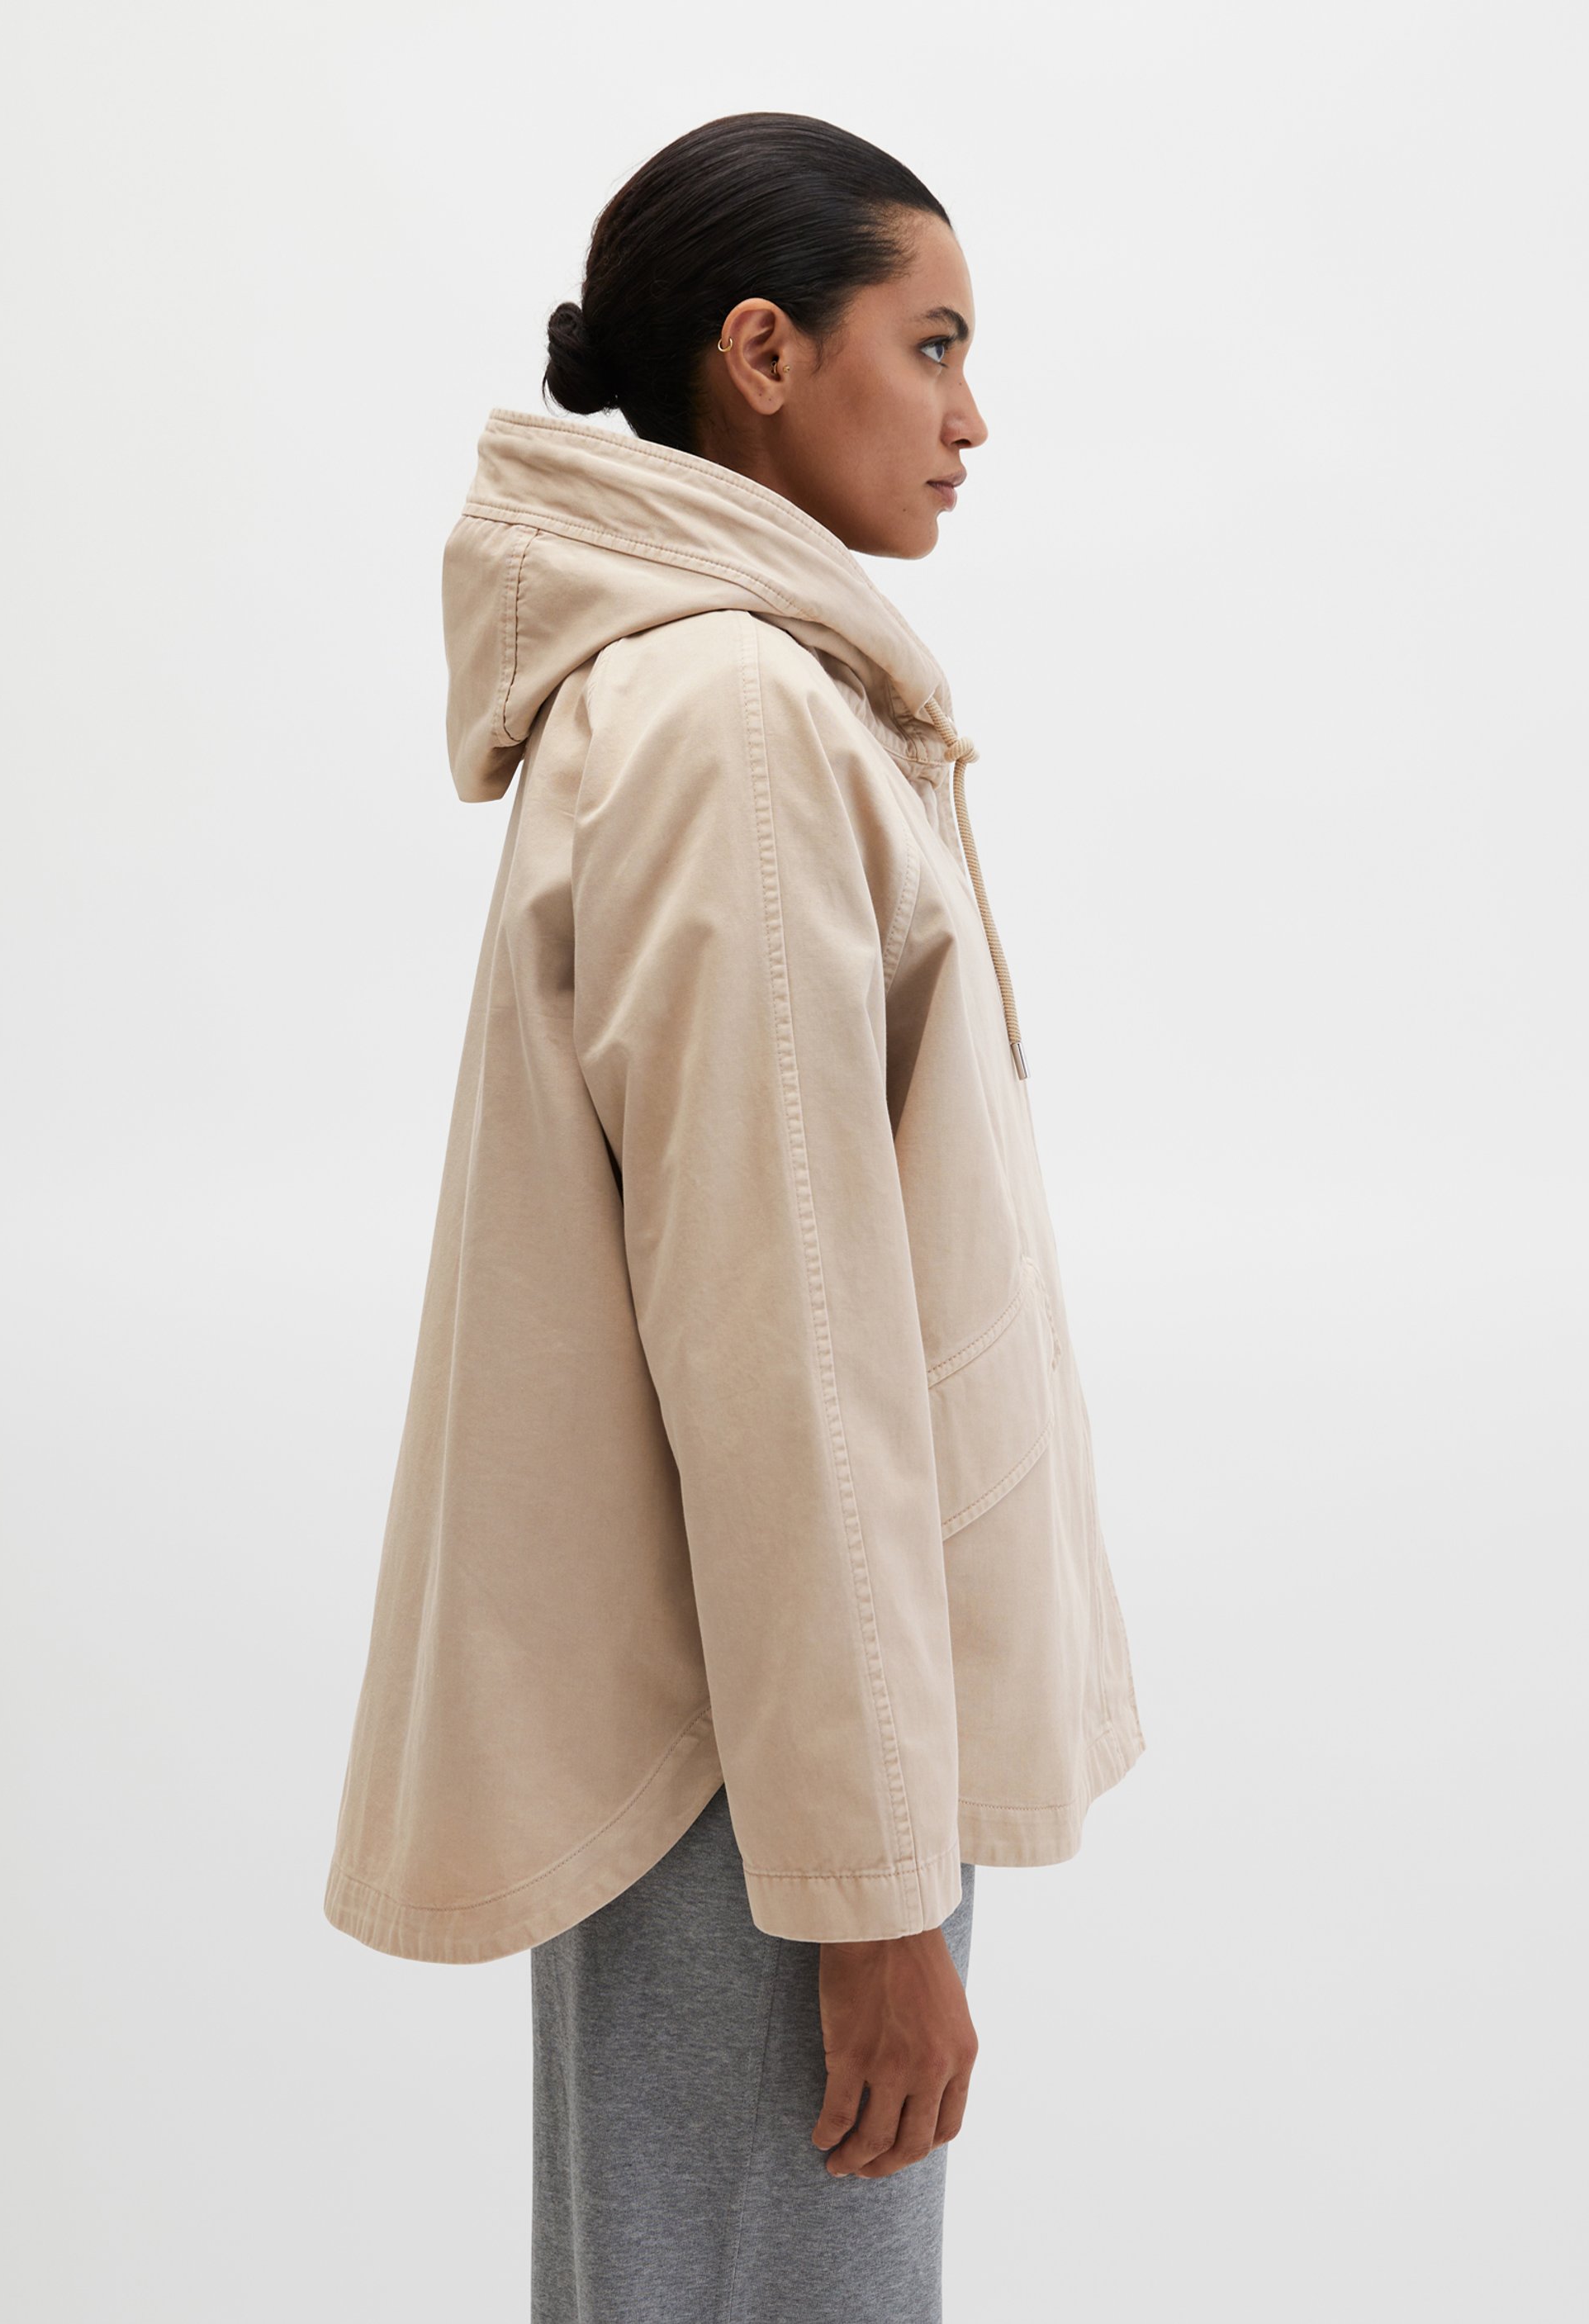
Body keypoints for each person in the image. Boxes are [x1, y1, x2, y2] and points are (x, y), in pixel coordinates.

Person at [323, 110, 1146, 2323]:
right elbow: (783, 1347)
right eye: (933, 344)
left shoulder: (736, 694)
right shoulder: (740, 723)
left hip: (775, 1725)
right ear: (765, 355)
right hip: (764, 1763)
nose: (973, 416)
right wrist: (866, 1895)